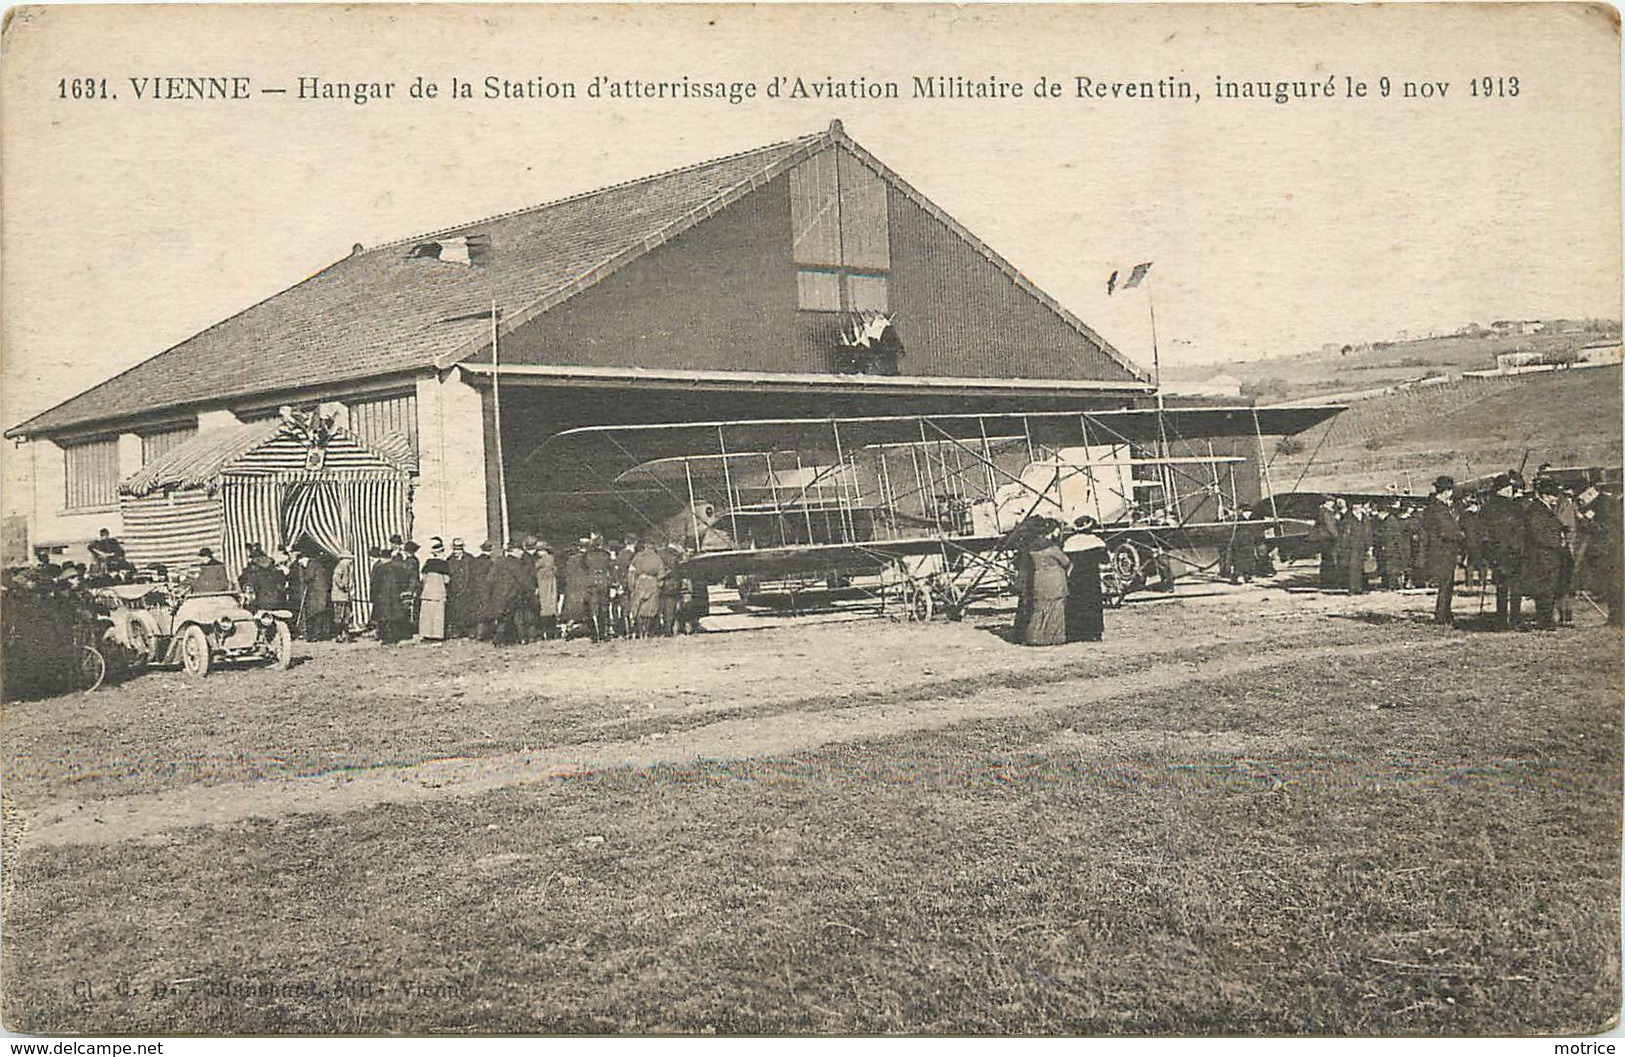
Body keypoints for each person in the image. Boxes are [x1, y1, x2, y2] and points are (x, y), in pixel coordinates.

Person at [1517, 479, 1569, 630]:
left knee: (1549, 587)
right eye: (1553, 496)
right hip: (1543, 554)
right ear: (1545, 495)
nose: (1555, 499)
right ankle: (1545, 621)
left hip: (1549, 554)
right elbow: (1538, 533)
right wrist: (1557, 543)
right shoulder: (1537, 510)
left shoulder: (1542, 508)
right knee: (1546, 588)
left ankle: (1546, 619)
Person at [1421, 476, 1463, 625]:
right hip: (1443, 549)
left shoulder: (1434, 507)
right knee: (1445, 583)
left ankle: (1445, 612)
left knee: (1447, 582)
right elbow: (1445, 530)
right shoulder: (1439, 509)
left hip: (1442, 549)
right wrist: (1460, 535)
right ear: (1446, 491)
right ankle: (1442, 615)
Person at [1023, 522, 1070, 646]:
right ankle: (1054, 637)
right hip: (1054, 580)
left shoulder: (1032, 549)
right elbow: (1065, 561)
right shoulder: (1052, 549)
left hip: (1039, 579)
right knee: (1056, 608)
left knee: (1039, 609)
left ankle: (1034, 637)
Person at [1062, 516, 1107, 642]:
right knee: (1092, 603)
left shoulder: (1069, 542)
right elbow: (1104, 560)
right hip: (1091, 576)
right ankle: (1094, 632)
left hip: (1075, 576)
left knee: (1076, 602)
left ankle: (1075, 632)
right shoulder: (1096, 542)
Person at [368, 547, 410, 644]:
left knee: (384, 617)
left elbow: (375, 583)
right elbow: (405, 581)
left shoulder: (379, 568)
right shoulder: (398, 567)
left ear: (382, 558)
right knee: (394, 617)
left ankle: (387, 638)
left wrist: (373, 596)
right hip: (395, 596)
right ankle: (395, 637)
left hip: (383, 596)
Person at [626, 539, 665, 638]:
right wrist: (659, 586)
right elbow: (661, 575)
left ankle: (639, 631)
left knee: (638, 607)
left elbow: (631, 573)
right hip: (652, 583)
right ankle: (646, 631)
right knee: (649, 609)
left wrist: (632, 586)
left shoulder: (637, 557)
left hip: (640, 582)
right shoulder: (657, 559)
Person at [417, 539, 450, 642]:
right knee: (438, 615)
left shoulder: (428, 563)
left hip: (427, 592)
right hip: (439, 592)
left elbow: (423, 578)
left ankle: (426, 634)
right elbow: (446, 580)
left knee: (426, 614)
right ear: (442, 552)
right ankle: (437, 635)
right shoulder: (444, 564)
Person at [584, 533, 614, 640]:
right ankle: (603, 633)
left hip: (591, 582)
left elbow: (584, 568)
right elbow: (611, 568)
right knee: (603, 608)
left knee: (591, 608)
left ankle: (593, 634)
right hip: (603, 582)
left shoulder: (587, 555)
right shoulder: (606, 555)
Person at [297, 551, 332, 640]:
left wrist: (302, 572)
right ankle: (318, 634)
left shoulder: (312, 565)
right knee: (318, 613)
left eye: (301, 562)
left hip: (317, 593)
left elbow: (308, 577)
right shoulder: (316, 564)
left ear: (304, 559)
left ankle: (314, 635)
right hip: (319, 592)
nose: (301, 564)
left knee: (314, 614)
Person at [446, 538, 476, 637]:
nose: (457, 551)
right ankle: (457, 631)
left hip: (467, 589)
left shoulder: (470, 559)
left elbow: (473, 574)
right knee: (455, 611)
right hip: (454, 590)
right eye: (455, 549)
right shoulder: (449, 560)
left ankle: (469, 631)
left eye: (459, 549)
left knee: (468, 610)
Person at [1341, 503, 1372, 595]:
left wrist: (1369, 546)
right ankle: (1353, 588)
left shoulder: (1364, 518)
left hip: (1362, 545)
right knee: (1353, 567)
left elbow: (1368, 533)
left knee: (1361, 567)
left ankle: (1361, 587)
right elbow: (1345, 534)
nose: (1359, 509)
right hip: (1352, 546)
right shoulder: (1348, 518)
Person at [532, 541, 560, 640]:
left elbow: (534, 570)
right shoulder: (551, 559)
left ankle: (544, 632)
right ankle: (551, 633)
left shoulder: (542, 560)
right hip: (551, 586)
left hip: (543, 586)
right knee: (551, 608)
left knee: (544, 608)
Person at [331, 553, 356, 642]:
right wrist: (343, 586)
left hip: (346, 596)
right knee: (339, 616)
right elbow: (336, 578)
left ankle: (345, 634)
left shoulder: (347, 567)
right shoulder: (341, 566)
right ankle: (338, 635)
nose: (351, 561)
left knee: (346, 616)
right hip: (339, 596)